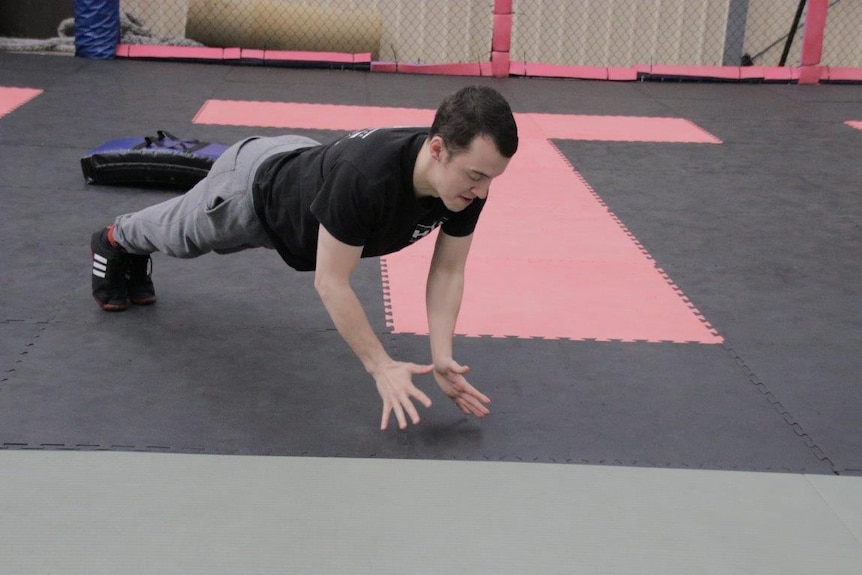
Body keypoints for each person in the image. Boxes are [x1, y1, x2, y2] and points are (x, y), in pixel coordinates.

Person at [89, 85, 519, 430]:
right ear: (439, 149)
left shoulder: (465, 186)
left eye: (490, 179)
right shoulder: (367, 180)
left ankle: (129, 250)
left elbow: (447, 270)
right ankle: (113, 239)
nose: (482, 192)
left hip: (307, 168)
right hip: (252, 192)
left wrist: (441, 354)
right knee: (178, 236)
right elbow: (331, 281)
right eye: (476, 176)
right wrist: (380, 366)